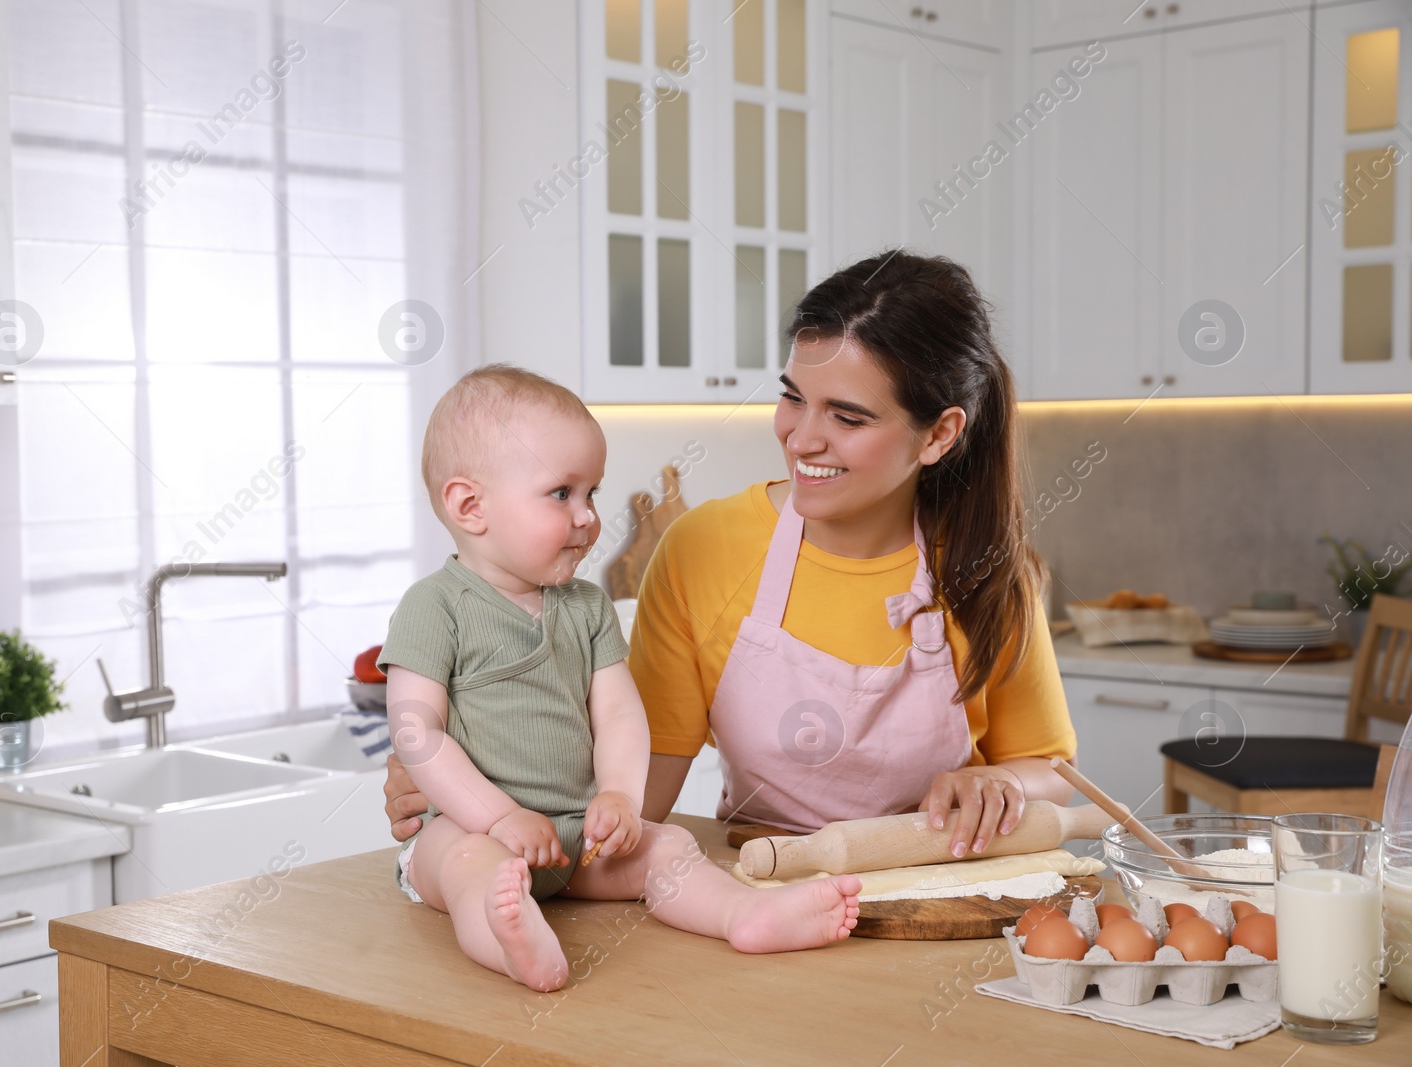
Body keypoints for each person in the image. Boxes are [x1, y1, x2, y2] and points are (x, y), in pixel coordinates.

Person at [383, 250, 1077, 864]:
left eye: (847, 416)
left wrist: (1006, 781)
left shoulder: (988, 571)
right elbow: (631, 786)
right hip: (765, 885)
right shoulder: (702, 550)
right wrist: (471, 792)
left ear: (939, 434)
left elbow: (1064, 778)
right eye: (792, 398)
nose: (802, 438)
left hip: (947, 903)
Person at [380, 365, 861, 992]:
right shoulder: (433, 606)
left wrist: (617, 798)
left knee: (667, 846)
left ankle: (743, 914)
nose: (586, 518)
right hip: (468, 832)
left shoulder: (586, 607)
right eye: (561, 494)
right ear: (471, 506)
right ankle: (513, 946)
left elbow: (619, 715)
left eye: (591, 494)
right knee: (472, 869)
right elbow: (417, 733)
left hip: (576, 839)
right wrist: (499, 821)